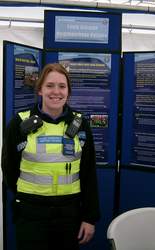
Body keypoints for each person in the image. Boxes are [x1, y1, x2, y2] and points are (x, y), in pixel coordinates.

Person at [1, 63, 100, 250]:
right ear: (40, 89)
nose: (56, 92)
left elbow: (88, 174)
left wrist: (89, 218)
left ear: (68, 92)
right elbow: (9, 169)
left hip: (69, 216)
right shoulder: (19, 123)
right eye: (49, 85)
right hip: (31, 215)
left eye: (62, 86)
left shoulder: (80, 124)